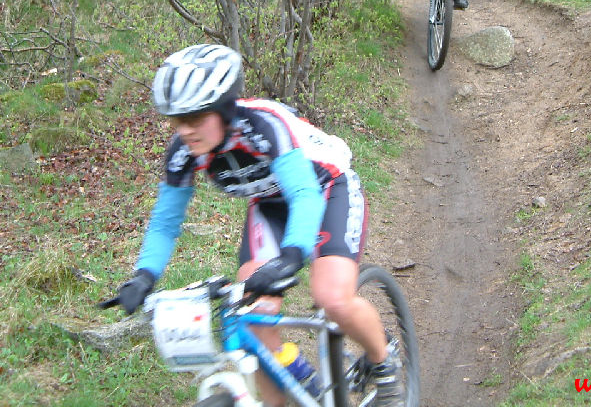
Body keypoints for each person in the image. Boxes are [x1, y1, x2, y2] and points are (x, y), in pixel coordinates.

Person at [110, 44, 404, 407]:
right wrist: (143, 276)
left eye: (195, 117)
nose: (184, 130)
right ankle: (298, 383)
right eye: (177, 120)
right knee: (251, 309)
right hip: (269, 205)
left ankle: (383, 361)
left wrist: (293, 254)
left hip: (327, 190)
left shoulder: (263, 124)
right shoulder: (183, 152)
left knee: (332, 298)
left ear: (223, 109)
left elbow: (304, 193)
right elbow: (165, 223)